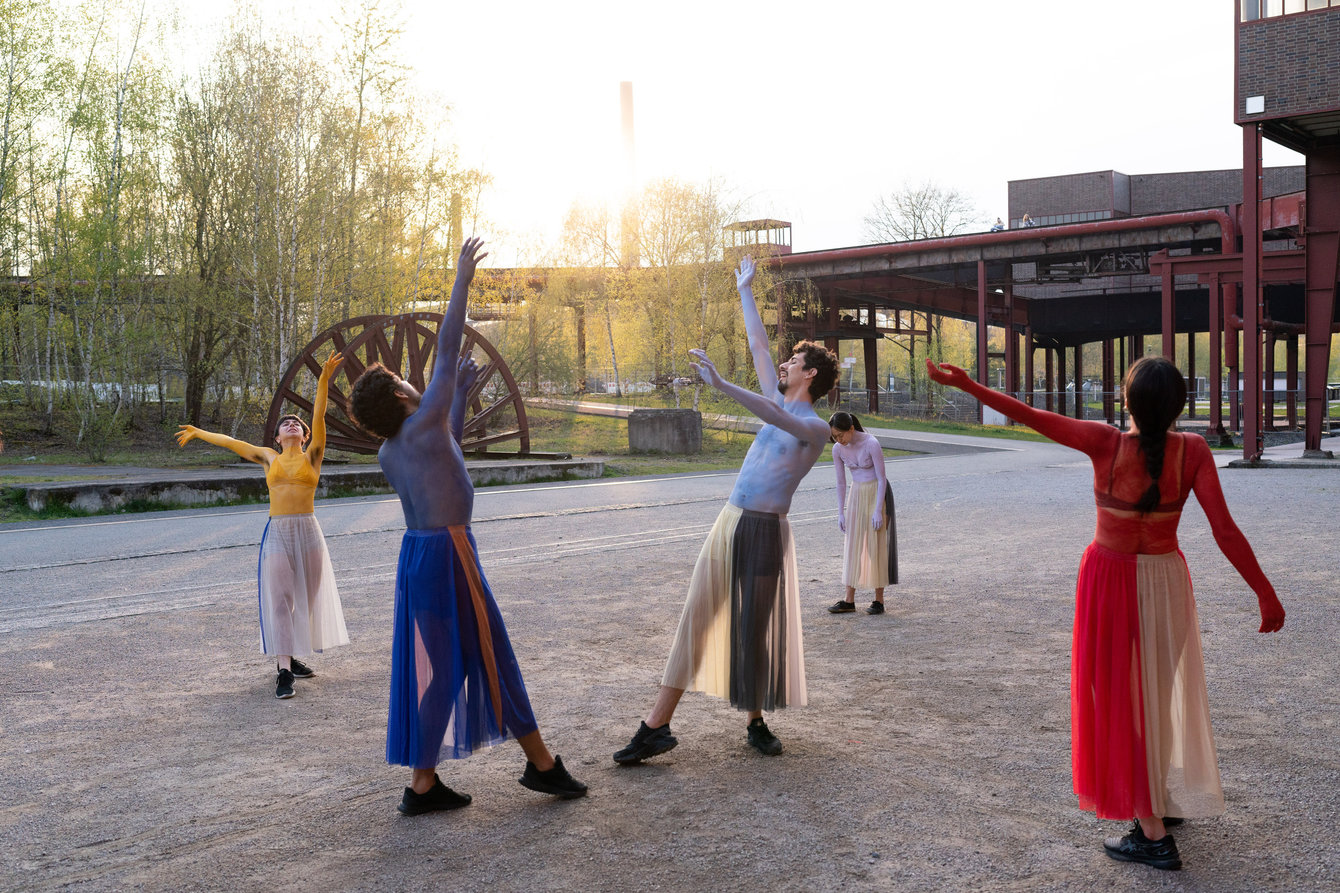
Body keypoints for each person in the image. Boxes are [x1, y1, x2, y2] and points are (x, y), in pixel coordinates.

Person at [925, 355, 1285, 871]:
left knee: (1118, 701)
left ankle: (1154, 835)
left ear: (1126, 400)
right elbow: (1225, 531)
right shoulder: (1195, 450)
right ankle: (1153, 797)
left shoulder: (1106, 443)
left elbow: (1029, 416)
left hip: (1111, 581)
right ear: (1179, 405)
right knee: (1154, 694)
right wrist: (1265, 593)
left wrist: (969, 385)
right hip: (1164, 579)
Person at [347, 236, 586, 815]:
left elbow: (445, 446)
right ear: (402, 396)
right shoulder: (420, 421)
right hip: (451, 552)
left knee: (450, 665)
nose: (413, 380)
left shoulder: (395, 447)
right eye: (406, 381)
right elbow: (448, 338)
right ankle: (542, 766)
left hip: (419, 557)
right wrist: (461, 279)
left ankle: (424, 784)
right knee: (491, 650)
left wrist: (458, 388)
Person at [613, 255, 839, 764]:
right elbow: (760, 346)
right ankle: (656, 726)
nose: (782, 364)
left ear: (810, 375)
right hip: (730, 520)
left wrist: (721, 386)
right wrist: (744, 290)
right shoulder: (779, 402)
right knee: (696, 616)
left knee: (752, 628)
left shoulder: (815, 428)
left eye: (793, 362)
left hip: (765, 530)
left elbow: (770, 410)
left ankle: (755, 721)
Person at [175, 352, 350, 699]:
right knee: (280, 598)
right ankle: (284, 671)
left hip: (309, 530)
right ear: (277, 436)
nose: (291, 425)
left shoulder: (313, 453)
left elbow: (318, 417)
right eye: (286, 423)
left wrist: (323, 381)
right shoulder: (268, 457)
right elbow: (232, 443)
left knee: (306, 599)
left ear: (303, 435)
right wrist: (198, 432)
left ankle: (291, 658)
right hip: (279, 531)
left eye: (296, 424)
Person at [826, 411, 897, 615]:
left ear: (851, 429)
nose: (838, 440)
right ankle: (849, 600)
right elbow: (841, 481)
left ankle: (879, 600)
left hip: (876, 492)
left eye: (840, 435)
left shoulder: (871, 443)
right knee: (853, 544)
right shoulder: (838, 449)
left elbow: (882, 478)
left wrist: (877, 510)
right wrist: (841, 512)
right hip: (856, 494)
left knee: (876, 543)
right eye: (834, 437)